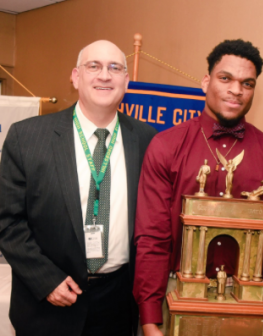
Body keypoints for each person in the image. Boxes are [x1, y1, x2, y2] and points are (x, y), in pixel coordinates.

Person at [134, 39, 263, 336]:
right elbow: (152, 238)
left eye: (247, 83)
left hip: (249, 299)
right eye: (226, 79)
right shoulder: (166, 146)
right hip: (174, 291)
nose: (236, 90)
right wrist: (149, 319)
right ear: (206, 81)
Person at [0, 40, 157, 336]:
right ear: (75, 77)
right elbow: (7, 221)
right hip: (47, 302)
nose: (104, 75)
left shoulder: (149, 140)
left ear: (126, 80)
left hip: (118, 303)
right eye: (93, 66)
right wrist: (45, 280)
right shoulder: (27, 138)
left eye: (115, 68)